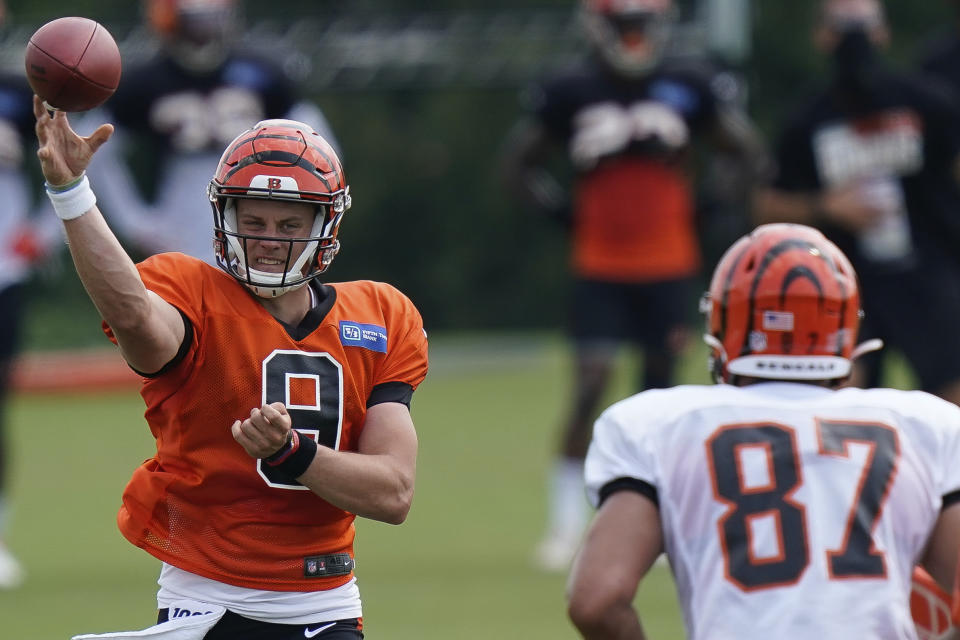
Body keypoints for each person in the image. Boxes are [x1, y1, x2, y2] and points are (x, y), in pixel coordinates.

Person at [34, 100, 428, 639]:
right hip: (205, 601)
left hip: (325, 606)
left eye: (289, 223)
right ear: (224, 217)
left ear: (327, 224)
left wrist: (293, 454)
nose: (269, 239)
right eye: (254, 220)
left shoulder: (382, 315)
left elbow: (394, 492)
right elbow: (133, 314)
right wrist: (72, 193)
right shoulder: (191, 293)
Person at [567, 222, 960, 639]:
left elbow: (597, 600)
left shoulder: (658, 424)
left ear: (722, 320)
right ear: (845, 328)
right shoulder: (926, 425)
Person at [500, 0, 766, 570]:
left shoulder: (688, 83)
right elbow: (518, 165)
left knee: (661, 397)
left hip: (669, 263)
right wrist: (564, 215)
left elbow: (744, 150)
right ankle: (566, 523)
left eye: (642, 24)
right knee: (590, 385)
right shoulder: (570, 89)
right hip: (600, 263)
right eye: (625, 25)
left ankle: (661, 523)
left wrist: (708, 206)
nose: (635, 37)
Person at [754, 0, 960, 406]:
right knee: (839, 393)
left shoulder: (927, 102)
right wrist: (823, 207)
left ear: (883, 31)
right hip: (846, 279)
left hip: (926, 272)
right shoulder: (807, 119)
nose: (855, 38)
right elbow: (765, 205)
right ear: (821, 36)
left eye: (863, 25)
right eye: (842, 26)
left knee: (952, 393)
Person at [80, 0, 339, 263]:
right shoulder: (146, 81)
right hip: (187, 204)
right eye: (197, 20)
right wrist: (135, 221)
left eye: (212, 17)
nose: (207, 30)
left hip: (255, 188)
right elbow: (92, 148)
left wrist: (295, 200)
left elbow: (320, 146)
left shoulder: (262, 72)